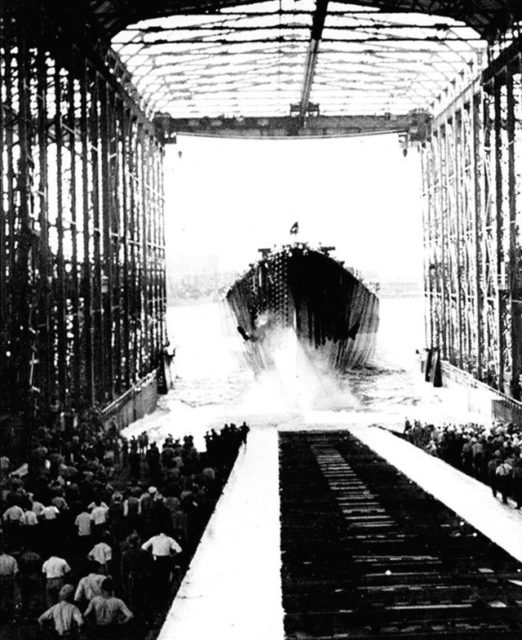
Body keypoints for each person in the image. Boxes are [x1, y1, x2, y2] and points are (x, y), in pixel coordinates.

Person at [141, 530, 182, 608]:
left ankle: (157, 601)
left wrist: (150, 555)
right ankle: (164, 600)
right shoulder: (169, 539)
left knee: (156, 581)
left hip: (155, 561)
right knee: (165, 581)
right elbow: (179, 550)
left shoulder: (154, 538)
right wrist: (172, 555)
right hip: (166, 561)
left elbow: (143, 547)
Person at [0, 543, 18, 623]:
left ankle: (2, 614)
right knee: (9, 596)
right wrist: (12, 579)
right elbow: (15, 571)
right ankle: (9, 615)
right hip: (9, 578)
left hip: (0, 578)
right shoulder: (12, 559)